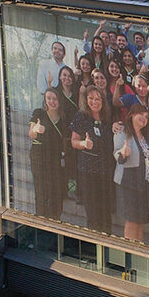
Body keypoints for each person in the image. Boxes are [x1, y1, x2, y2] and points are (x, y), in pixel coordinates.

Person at [70, 86, 115, 235]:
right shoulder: (81, 116)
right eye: (91, 98)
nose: (94, 102)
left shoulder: (106, 118)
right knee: (93, 214)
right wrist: (83, 144)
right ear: (86, 100)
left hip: (105, 173)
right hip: (88, 173)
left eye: (97, 99)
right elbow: (74, 141)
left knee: (105, 213)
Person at [113, 104, 149, 242]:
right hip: (128, 182)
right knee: (132, 222)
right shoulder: (122, 131)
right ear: (131, 115)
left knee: (139, 222)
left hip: (143, 184)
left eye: (146, 117)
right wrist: (123, 154)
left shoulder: (145, 136)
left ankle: (139, 253)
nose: (144, 118)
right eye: (141, 115)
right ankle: (130, 255)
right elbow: (117, 154)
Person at [29, 89, 69, 219]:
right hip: (39, 157)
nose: (52, 101)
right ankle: (40, 222)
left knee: (56, 194)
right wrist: (36, 129)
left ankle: (54, 221)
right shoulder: (39, 113)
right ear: (45, 100)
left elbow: (64, 141)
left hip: (55, 159)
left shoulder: (63, 119)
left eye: (55, 98)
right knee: (41, 193)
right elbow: (31, 134)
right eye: (49, 98)